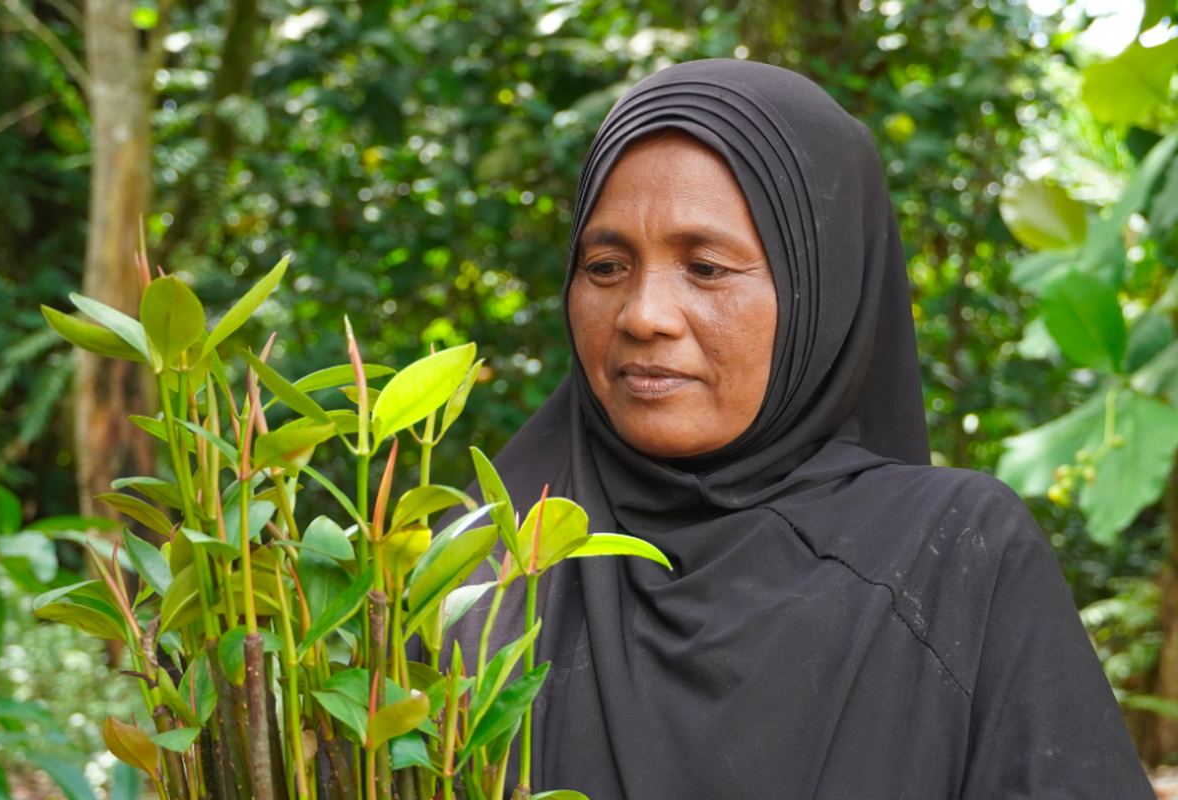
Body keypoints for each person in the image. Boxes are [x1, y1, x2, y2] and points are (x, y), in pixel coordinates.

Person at [447, 59, 1154, 799]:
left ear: (822, 287)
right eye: (605, 265)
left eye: (707, 268)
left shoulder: (954, 558)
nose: (642, 315)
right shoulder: (478, 572)